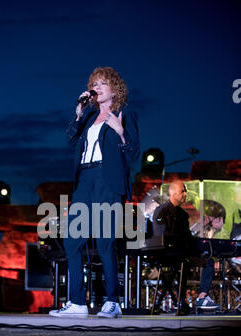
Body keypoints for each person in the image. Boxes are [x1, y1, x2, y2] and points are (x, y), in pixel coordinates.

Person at [49, 66, 140, 318]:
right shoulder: (89, 118)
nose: (96, 88)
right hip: (85, 180)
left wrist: (120, 132)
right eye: (94, 84)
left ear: (114, 89)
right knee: (71, 240)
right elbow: (70, 138)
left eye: (102, 84)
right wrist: (78, 114)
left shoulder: (124, 113)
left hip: (106, 179)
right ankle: (77, 303)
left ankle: (113, 301)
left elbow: (134, 152)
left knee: (104, 241)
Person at [153, 180, 219, 314]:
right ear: (172, 193)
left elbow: (188, 237)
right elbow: (160, 236)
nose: (185, 194)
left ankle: (202, 297)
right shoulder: (162, 211)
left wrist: (202, 245)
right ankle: (181, 301)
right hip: (167, 253)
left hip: (182, 252)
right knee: (186, 261)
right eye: (182, 191)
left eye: (185, 191)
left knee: (209, 259)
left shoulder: (183, 215)